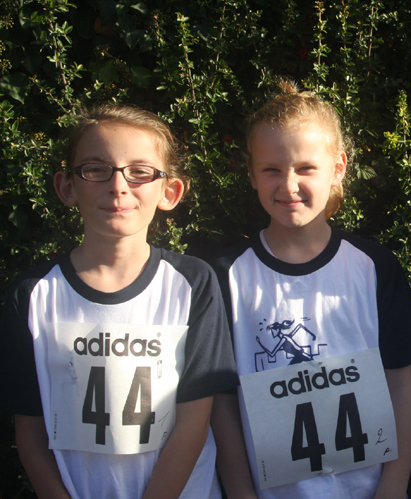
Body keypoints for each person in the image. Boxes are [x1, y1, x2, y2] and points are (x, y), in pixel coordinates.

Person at [0, 105, 238, 498]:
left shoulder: (192, 284)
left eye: (140, 171)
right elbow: (30, 430)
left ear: (169, 191)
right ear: (67, 187)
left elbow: (194, 420)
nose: (118, 186)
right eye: (96, 169)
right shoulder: (32, 294)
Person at [211, 80, 411, 499]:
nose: (288, 184)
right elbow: (221, 402)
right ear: (251, 174)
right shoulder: (225, 275)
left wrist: (393, 487)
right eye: (271, 169)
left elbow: (402, 383)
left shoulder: (374, 267)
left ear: (338, 168)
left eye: (305, 168)